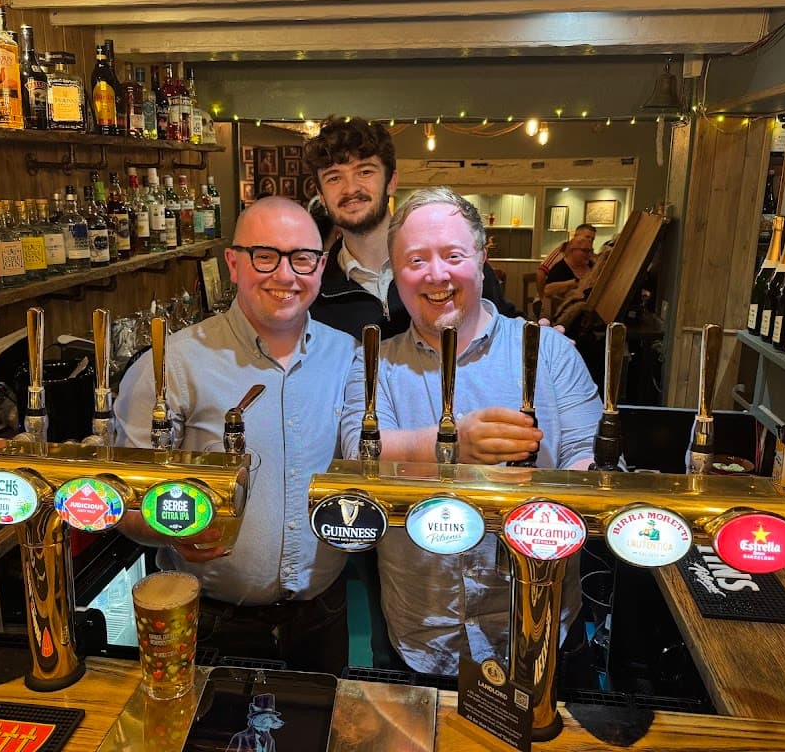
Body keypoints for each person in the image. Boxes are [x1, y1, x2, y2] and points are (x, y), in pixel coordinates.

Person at [340, 186, 603, 677]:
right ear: (395, 273)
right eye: (416, 260)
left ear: (483, 259)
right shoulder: (377, 362)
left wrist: (590, 476)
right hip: (421, 634)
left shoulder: (551, 352)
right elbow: (359, 453)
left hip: (539, 627)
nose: (436, 274)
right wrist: (453, 444)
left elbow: (587, 458)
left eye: (453, 256)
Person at [114, 197, 357, 675]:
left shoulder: (347, 355)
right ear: (232, 263)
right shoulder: (170, 364)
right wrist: (169, 528)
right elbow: (123, 497)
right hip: (210, 622)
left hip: (324, 616)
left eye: (302, 258)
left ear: (321, 265)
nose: (285, 275)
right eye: (265, 256)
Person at [303, 116, 518, 340]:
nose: (350, 189)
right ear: (321, 195)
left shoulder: (456, 265)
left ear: (391, 182)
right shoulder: (313, 291)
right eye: (334, 178)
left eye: (365, 172)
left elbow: (505, 333)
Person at [534, 222, 596, 301]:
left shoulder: (589, 258)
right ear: (576, 237)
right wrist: (542, 298)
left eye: (592, 239)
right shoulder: (559, 252)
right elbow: (540, 273)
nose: (589, 241)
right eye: (587, 237)